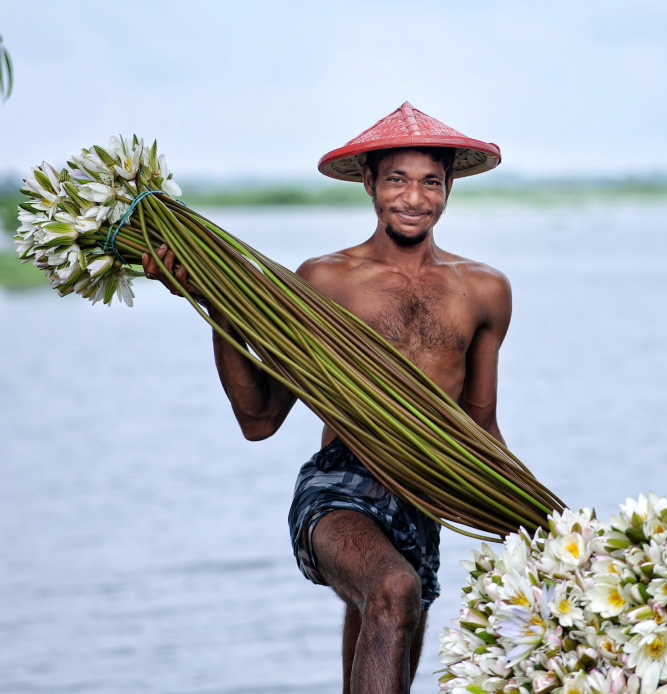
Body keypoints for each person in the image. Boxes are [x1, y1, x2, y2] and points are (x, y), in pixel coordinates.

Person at [142, 103, 509, 694]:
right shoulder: (325, 282)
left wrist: (531, 524)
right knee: (393, 590)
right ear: (369, 183)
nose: (414, 197)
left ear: (449, 189)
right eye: (396, 179)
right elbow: (259, 418)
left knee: (387, 625)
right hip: (342, 487)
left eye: (430, 182)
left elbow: (482, 426)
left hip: (426, 498)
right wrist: (213, 301)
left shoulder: (486, 290)